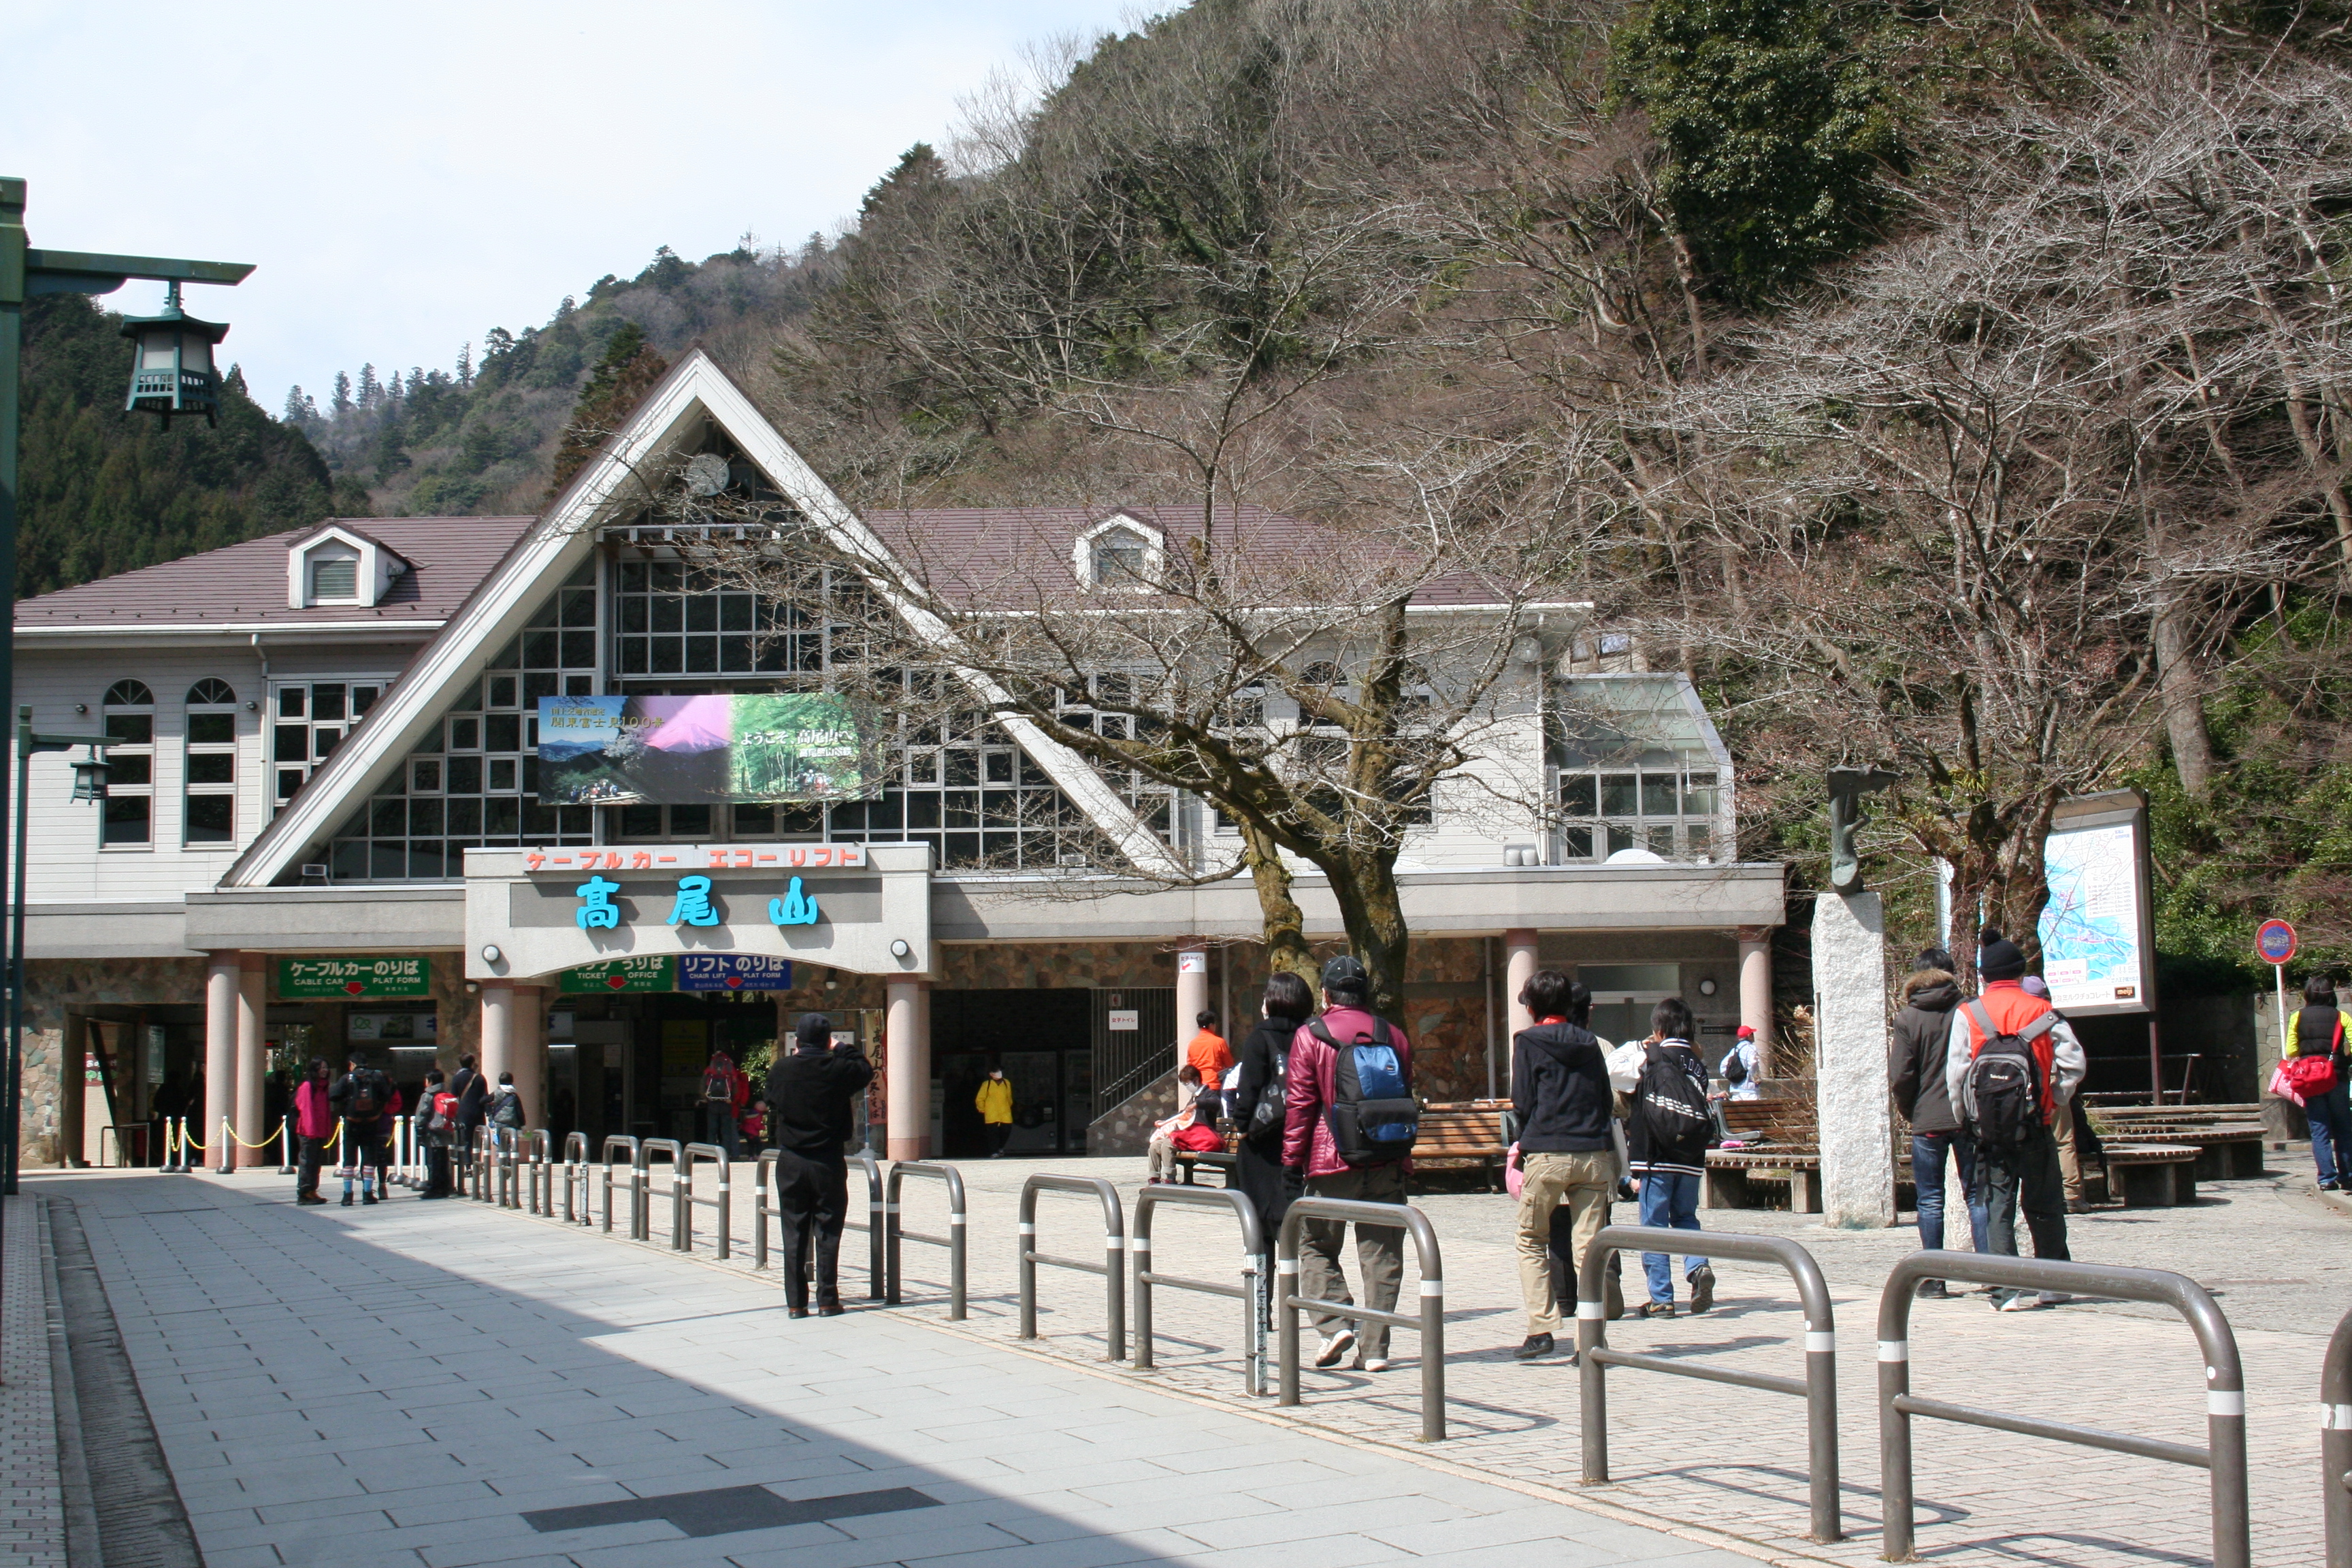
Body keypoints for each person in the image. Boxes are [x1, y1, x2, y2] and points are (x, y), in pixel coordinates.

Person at [1283, 954, 1414, 1373]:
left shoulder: (1311, 1035)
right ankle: (1375, 1349)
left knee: (1315, 1245)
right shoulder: (1393, 1035)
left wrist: (1291, 1161)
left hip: (1331, 1161)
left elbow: (1301, 1106)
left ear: (1325, 993)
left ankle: (1335, 1322)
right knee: (1383, 1255)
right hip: (1386, 1157)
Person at [1944, 930, 2085, 1310]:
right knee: (2045, 1204)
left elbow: (1956, 1074)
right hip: (2035, 1123)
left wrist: (1967, 1118)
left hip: (1988, 1131)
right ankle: (2054, 1284)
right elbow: (2074, 1063)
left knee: (1997, 1206)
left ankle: (2006, 1292)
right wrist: (2053, 1099)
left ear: (1984, 975)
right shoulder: (2041, 1011)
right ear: (2021, 974)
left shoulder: (1968, 1013)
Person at [1507, 970, 1616, 1361]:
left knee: (1531, 1239)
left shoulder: (1528, 1041)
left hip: (1548, 1154)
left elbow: (1523, 1101)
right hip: (1593, 1155)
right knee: (1589, 1248)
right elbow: (1606, 1099)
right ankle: (1591, 1337)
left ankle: (1542, 1329)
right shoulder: (1590, 1042)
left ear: (1533, 1007)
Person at [766, 1012, 875, 1317]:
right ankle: (828, 1299)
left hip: (791, 1159)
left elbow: (771, 1100)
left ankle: (796, 1303)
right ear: (828, 1040)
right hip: (828, 1158)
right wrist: (839, 1047)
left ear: (797, 1040)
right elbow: (865, 1070)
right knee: (828, 1229)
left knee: (794, 1230)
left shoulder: (782, 1069)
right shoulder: (838, 1067)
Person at [1889, 947, 1982, 1296]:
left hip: (1927, 1117)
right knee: (1977, 1195)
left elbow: (1901, 1075)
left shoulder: (1908, 1018)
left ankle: (1933, 1279)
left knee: (1930, 1200)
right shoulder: (1971, 1010)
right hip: (1968, 1117)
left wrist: (1909, 1110)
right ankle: (1992, 1273)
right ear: (1951, 973)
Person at [1626, 998, 1714, 1318]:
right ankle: (1698, 1267)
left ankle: (1661, 1298)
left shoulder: (1652, 1057)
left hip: (1658, 1154)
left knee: (1654, 1225)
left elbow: (1619, 1077)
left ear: (1659, 1028)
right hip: (1691, 1155)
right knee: (1686, 1218)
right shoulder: (1697, 1062)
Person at [1230, 973, 1311, 1268]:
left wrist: (1242, 1127)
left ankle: (1262, 1307)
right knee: (1295, 1226)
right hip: (1303, 1141)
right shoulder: (1314, 1035)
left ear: (1272, 1000)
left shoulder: (1260, 1037)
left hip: (1262, 1144)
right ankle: (1299, 1297)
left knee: (1258, 1230)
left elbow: (1248, 1091)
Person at [2021, 975, 2089, 1213]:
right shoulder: (2051, 1017)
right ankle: (2071, 1195)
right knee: (2062, 1141)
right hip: (2052, 1080)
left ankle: (2035, 1195)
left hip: (2022, 1086)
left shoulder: (2019, 1015)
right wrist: (2061, 1094)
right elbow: (2073, 1061)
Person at [2285, 974, 2352, 1190]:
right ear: (2331, 995)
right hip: (2337, 1078)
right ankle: (2348, 1176)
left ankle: (2326, 1178)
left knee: (2319, 1130)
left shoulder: (2298, 1017)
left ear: (2307, 995)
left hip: (2311, 1081)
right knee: (2344, 1129)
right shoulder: (2342, 1017)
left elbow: (2291, 1050)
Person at [329, 1053, 391, 1207]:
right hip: (371, 1123)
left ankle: (348, 1195)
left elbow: (333, 1095)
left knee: (349, 1159)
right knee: (369, 1158)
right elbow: (387, 1095)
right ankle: (367, 1193)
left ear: (352, 1064)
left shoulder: (347, 1078)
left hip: (352, 1123)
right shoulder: (376, 1077)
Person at [1144, 1064, 1203, 1183]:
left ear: (1196, 1080)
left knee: (1168, 1144)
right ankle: (1154, 1178)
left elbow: (1214, 1102)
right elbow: (1182, 1115)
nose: (1187, 1086)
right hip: (1187, 1134)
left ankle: (1169, 1178)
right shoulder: (1194, 1097)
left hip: (1199, 1135)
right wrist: (1165, 1122)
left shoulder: (1207, 1093)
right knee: (1155, 1145)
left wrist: (1198, 1104)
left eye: (1187, 1083)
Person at [293, 1058, 333, 1206]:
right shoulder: (307, 1086)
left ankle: (312, 1190)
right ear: (314, 1069)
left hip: (320, 1131)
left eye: (326, 1067)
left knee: (316, 1163)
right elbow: (306, 1110)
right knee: (307, 1162)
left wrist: (326, 1131)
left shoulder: (323, 1087)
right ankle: (304, 1192)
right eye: (322, 1067)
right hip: (308, 1132)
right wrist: (311, 1131)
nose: (325, 1070)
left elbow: (326, 1110)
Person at [700, 1047, 748, 1157]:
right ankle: (725, 1154)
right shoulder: (730, 1068)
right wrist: (732, 1100)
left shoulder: (710, 1068)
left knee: (712, 1131)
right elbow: (736, 1086)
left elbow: (703, 1084)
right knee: (726, 1131)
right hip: (726, 1104)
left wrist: (706, 1098)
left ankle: (711, 1155)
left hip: (712, 1104)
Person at [1186, 1012, 1231, 1123]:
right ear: (1212, 1025)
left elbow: (1190, 1067)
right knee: (1216, 1120)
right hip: (1214, 1086)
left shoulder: (1193, 1044)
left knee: (1199, 1120)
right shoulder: (1219, 1042)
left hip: (1199, 1088)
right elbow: (1230, 1064)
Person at [418, 1067, 455, 1198]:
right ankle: (445, 1187)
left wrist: (420, 1131)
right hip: (444, 1133)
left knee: (433, 1163)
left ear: (430, 1081)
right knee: (443, 1162)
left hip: (432, 1134)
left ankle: (434, 1189)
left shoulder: (427, 1096)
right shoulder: (446, 1094)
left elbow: (421, 1115)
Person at [451, 1053, 485, 1184]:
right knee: (478, 1139)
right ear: (473, 1063)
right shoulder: (479, 1078)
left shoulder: (457, 1078)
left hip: (463, 1112)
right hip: (477, 1111)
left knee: (465, 1140)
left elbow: (454, 1097)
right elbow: (484, 1097)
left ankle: (468, 1166)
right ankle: (478, 1161)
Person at [975, 1066, 1015, 1158]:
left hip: (1005, 1112)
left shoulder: (1006, 1083)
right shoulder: (987, 1084)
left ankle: (1000, 1147)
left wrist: (1009, 1106)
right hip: (991, 1112)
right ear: (991, 1074)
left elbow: (1009, 1097)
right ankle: (994, 1151)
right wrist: (982, 1109)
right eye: (997, 1071)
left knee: (1006, 1130)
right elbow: (980, 1098)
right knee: (993, 1133)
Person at [1718, 1024, 1763, 1101]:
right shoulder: (1751, 1048)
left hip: (1735, 1090)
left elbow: (1723, 1067)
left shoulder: (1735, 1050)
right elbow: (1753, 1064)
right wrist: (1755, 1079)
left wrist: (1733, 1077)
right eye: (1752, 1034)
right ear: (1749, 1035)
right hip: (1750, 1090)